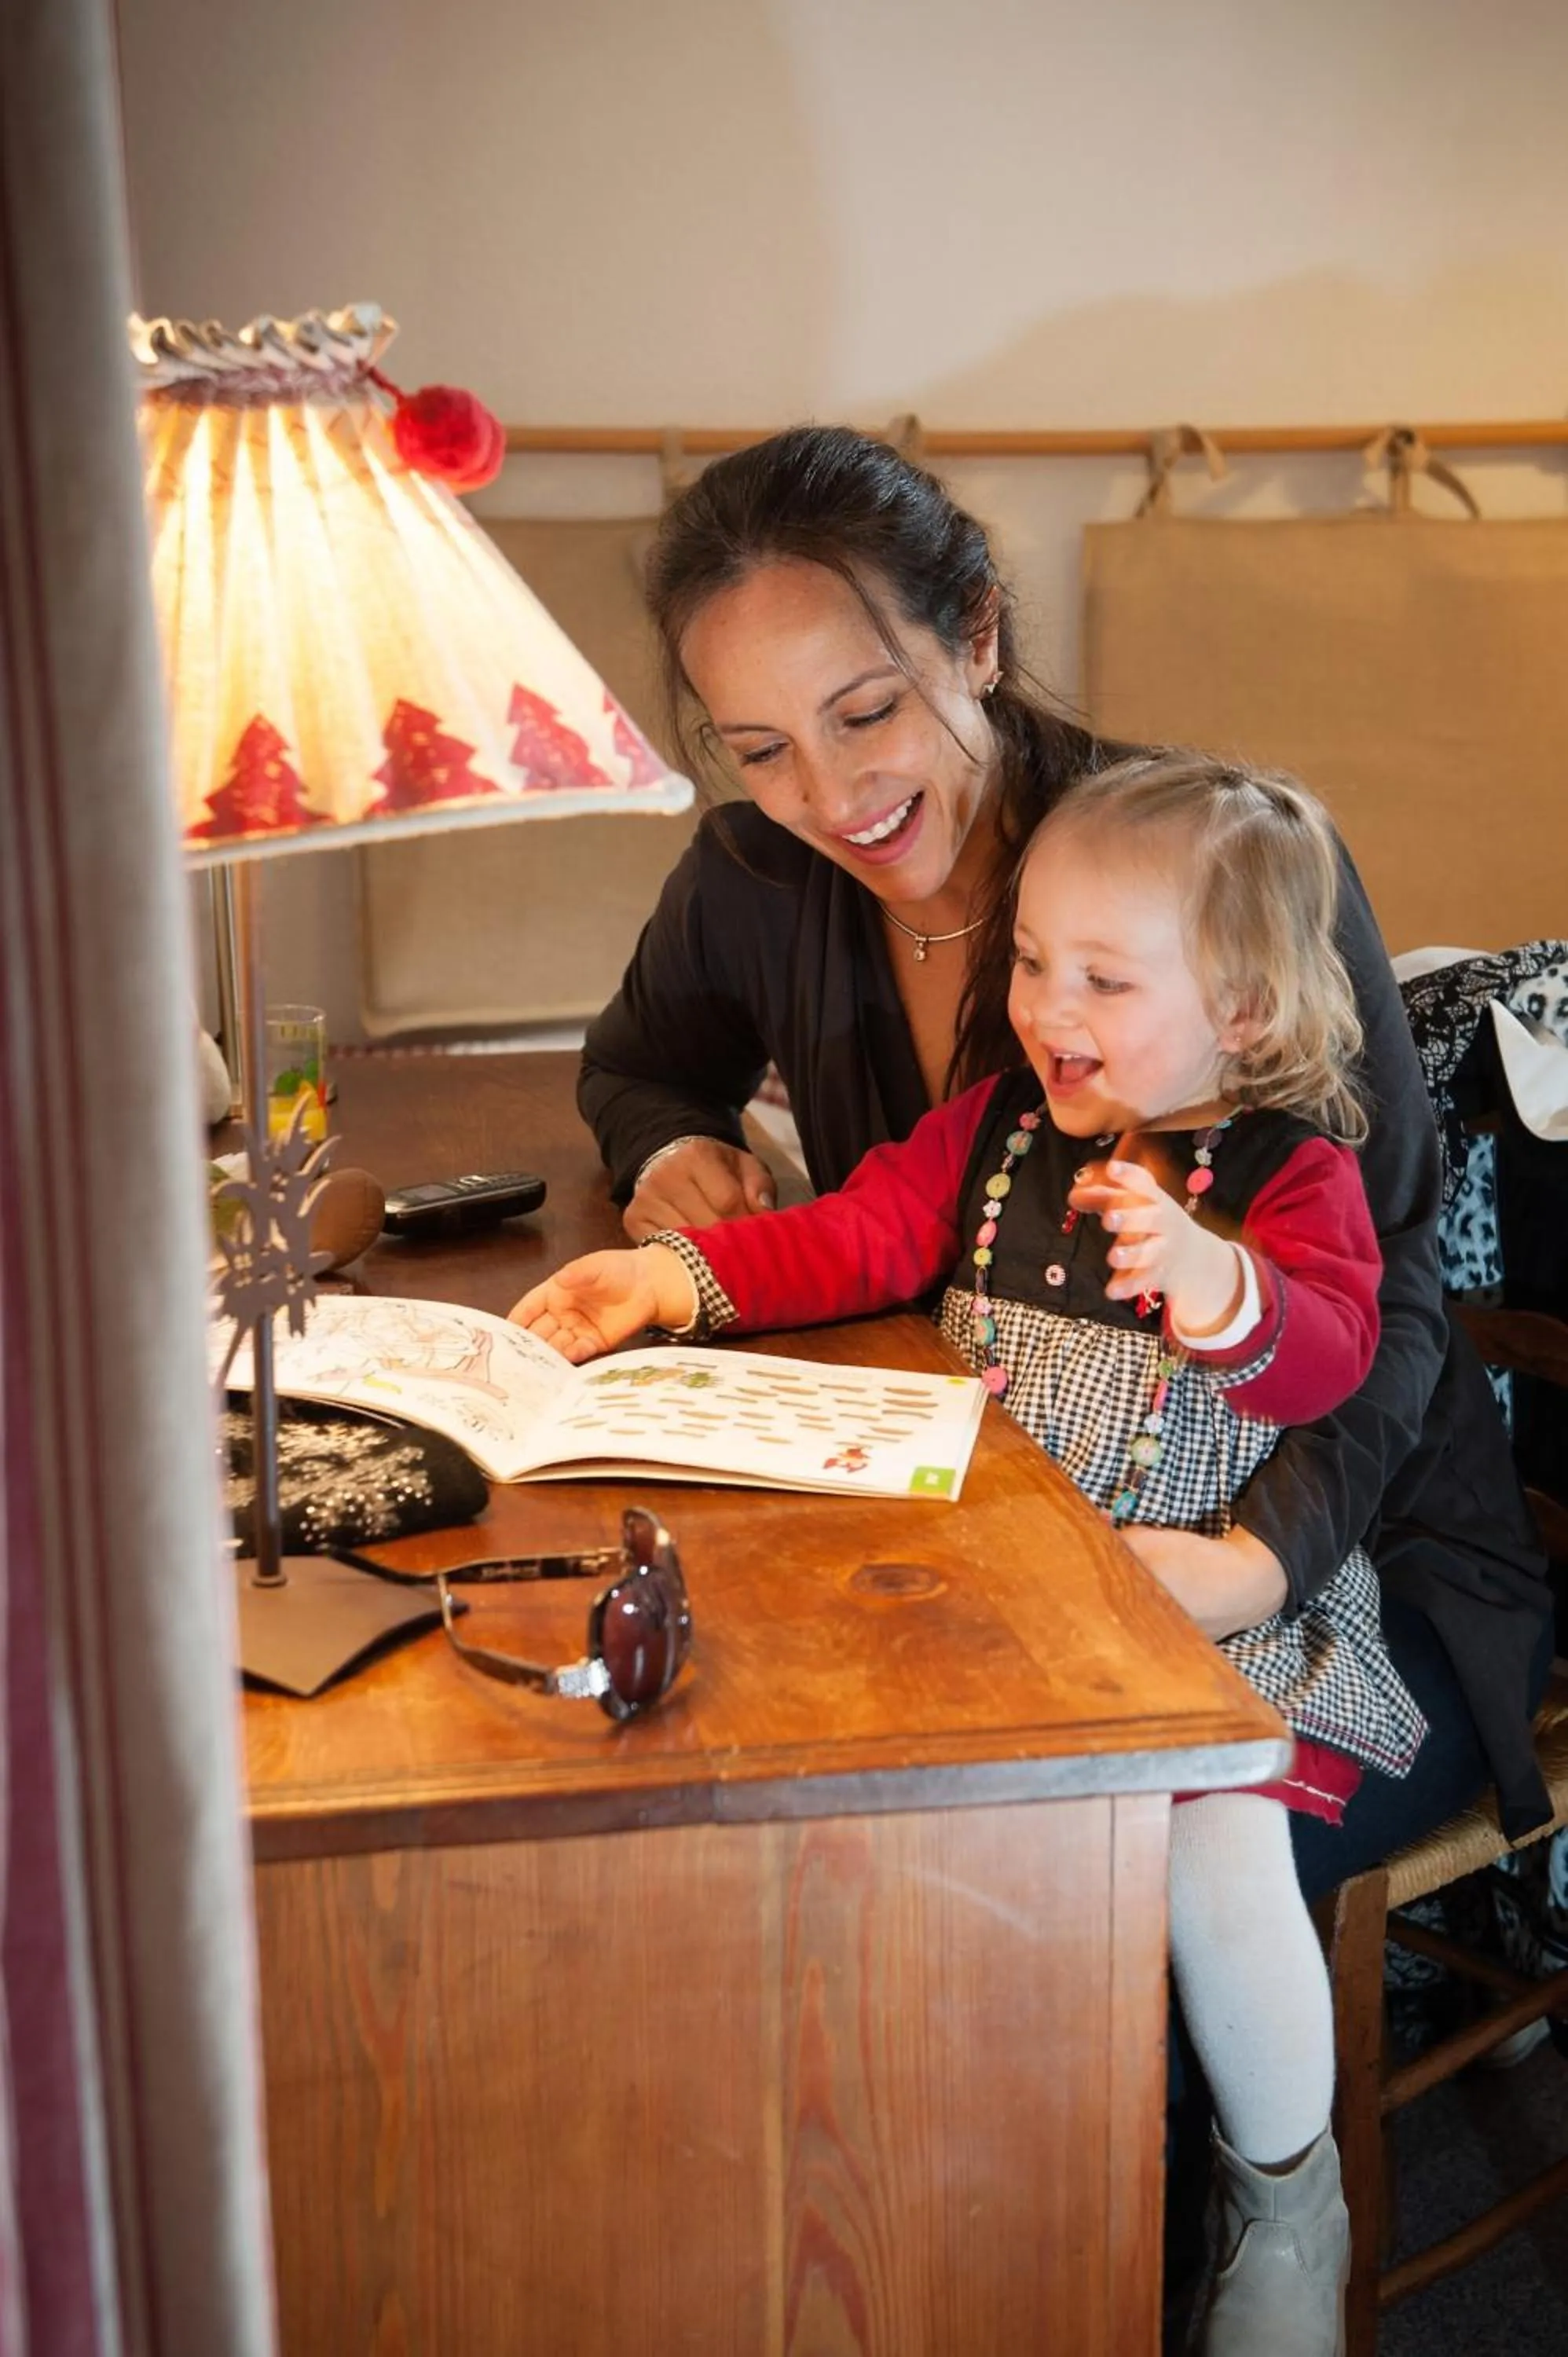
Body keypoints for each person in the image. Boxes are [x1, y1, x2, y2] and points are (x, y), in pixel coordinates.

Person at [574, 427, 1553, 2335]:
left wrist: (1258, 1553)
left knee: (1088, 1872)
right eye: (754, 748)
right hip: (1005, 1522)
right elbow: (680, 1090)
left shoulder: (1204, 868)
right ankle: (851, 2240)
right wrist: (668, 1175)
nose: (827, 794)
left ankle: (1190, 2234)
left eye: (863, 712)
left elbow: (1374, 1304)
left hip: (1308, 1555)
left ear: (977, 636)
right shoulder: (758, 882)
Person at [523, 753, 1431, 2353]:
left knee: (1212, 1866)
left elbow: (1326, 1364)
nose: (1040, 1005)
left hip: (1202, 1630)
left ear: (1234, 1010)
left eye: (1099, 976)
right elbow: (849, 1235)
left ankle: (1281, 2201)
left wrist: (1215, 1286)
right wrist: (669, 1283)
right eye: (1026, 960)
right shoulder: (992, 1134)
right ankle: (889, 2193)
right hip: (996, 1596)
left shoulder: (1297, 1175)